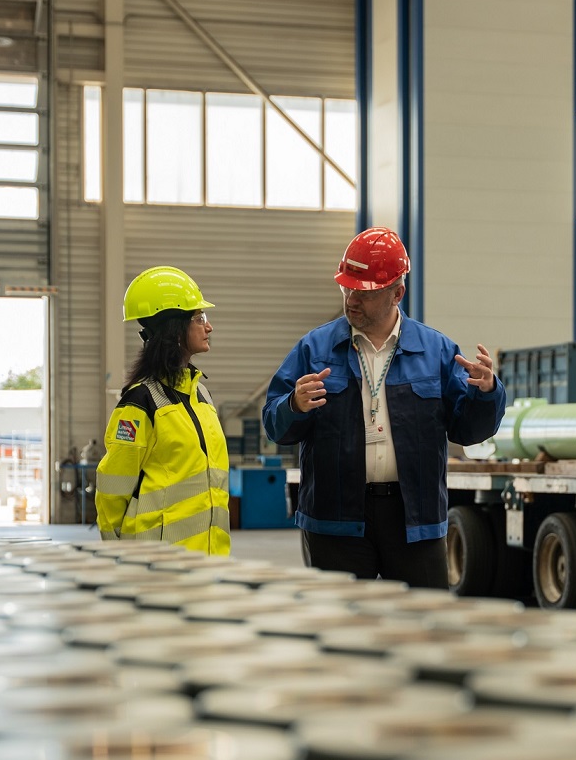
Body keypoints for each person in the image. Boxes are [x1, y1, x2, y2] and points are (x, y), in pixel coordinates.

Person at [263, 227, 506, 587]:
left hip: (414, 520)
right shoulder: (313, 350)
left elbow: (469, 431)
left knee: (421, 617)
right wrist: (293, 406)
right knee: (340, 619)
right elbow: (275, 426)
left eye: (364, 293)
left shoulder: (436, 352)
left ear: (397, 293)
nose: (351, 300)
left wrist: (486, 393)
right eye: (346, 288)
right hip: (336, 519)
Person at [94, 266, 231, 554]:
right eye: (199, 318)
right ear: (174, 329)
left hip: (209, 559)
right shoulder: (140, 402)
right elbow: (113, 488)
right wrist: (116, 552)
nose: (209, 327)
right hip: (158, 562)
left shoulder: (202, 396)